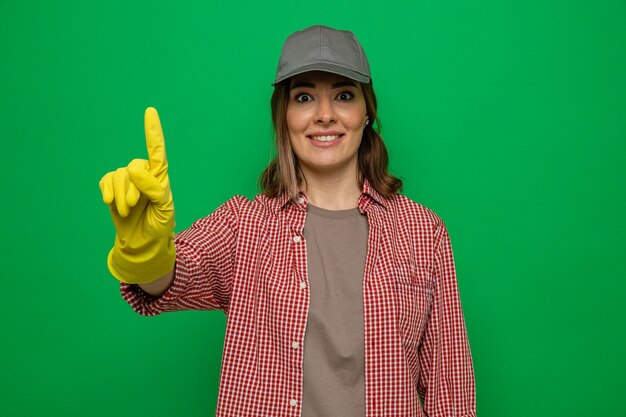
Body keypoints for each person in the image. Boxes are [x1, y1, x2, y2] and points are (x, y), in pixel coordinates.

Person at [99, 25, 476, 417]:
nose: (325, 115)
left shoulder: (423, 231)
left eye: (344, 95)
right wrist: (145, 249)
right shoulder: (243, 225)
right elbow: (169, 279)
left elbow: (450, 384)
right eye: (304, 97)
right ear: (284, 116)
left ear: (366, 113)